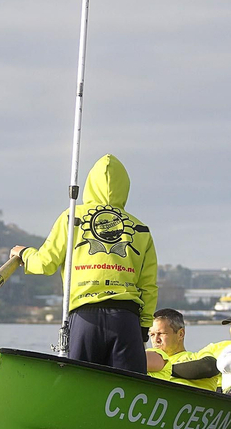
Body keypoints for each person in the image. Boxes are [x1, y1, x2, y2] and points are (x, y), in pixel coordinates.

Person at [10, 154, 157, 371]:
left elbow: (45, 263)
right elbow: (148, 286)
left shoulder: (72, 218)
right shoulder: (140, 229)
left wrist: (24, 254)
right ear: (125, 187)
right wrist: (143, 327)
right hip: (126, 319)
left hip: (85, 318)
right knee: (128, 390)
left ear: (90, 184)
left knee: (80, 385)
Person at [144, 309, 221, 391]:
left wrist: (167, 368)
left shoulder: (198, 356)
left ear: (181, 334)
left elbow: (209, 367)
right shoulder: (151, 357)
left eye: (161, 334)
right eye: (152, 335)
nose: (156, 340)